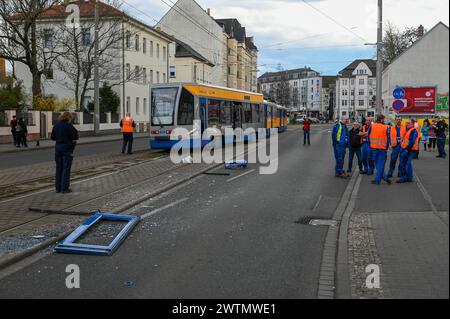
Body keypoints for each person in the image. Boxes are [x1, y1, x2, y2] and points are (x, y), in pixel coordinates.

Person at [51, 112, 79, 194]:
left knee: (59, 168)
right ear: (69, 118)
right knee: (66, 168)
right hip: (67, 148)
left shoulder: (56, 125)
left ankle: (58, 188)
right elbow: (75, 136)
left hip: (57, 148)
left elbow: (52, 137)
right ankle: (64, 188)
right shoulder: (68, 126)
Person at [368, 114, 391, 185]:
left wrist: (371, 145)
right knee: (380, 164)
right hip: (382, 148)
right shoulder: (385, 127)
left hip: (374, 147)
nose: (384, 120)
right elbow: (388, 138)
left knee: (377, 164)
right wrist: (386, 147)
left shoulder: (372, 126)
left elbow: (369, 136)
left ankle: (382, 177)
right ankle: (379, 179)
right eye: (383, 119)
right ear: (381, 119)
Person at [397, 119, 419, 183]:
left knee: (407, 163)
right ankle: (404, 177)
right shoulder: (407, 130)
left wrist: (406, 149)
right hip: (406, 149)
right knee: (403, 163)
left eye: (408, 123)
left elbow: (412, 141)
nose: (406, 124)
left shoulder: (413, 131)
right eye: (406, 123)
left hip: (410, 150)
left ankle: (408, 178)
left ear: (412, 124)